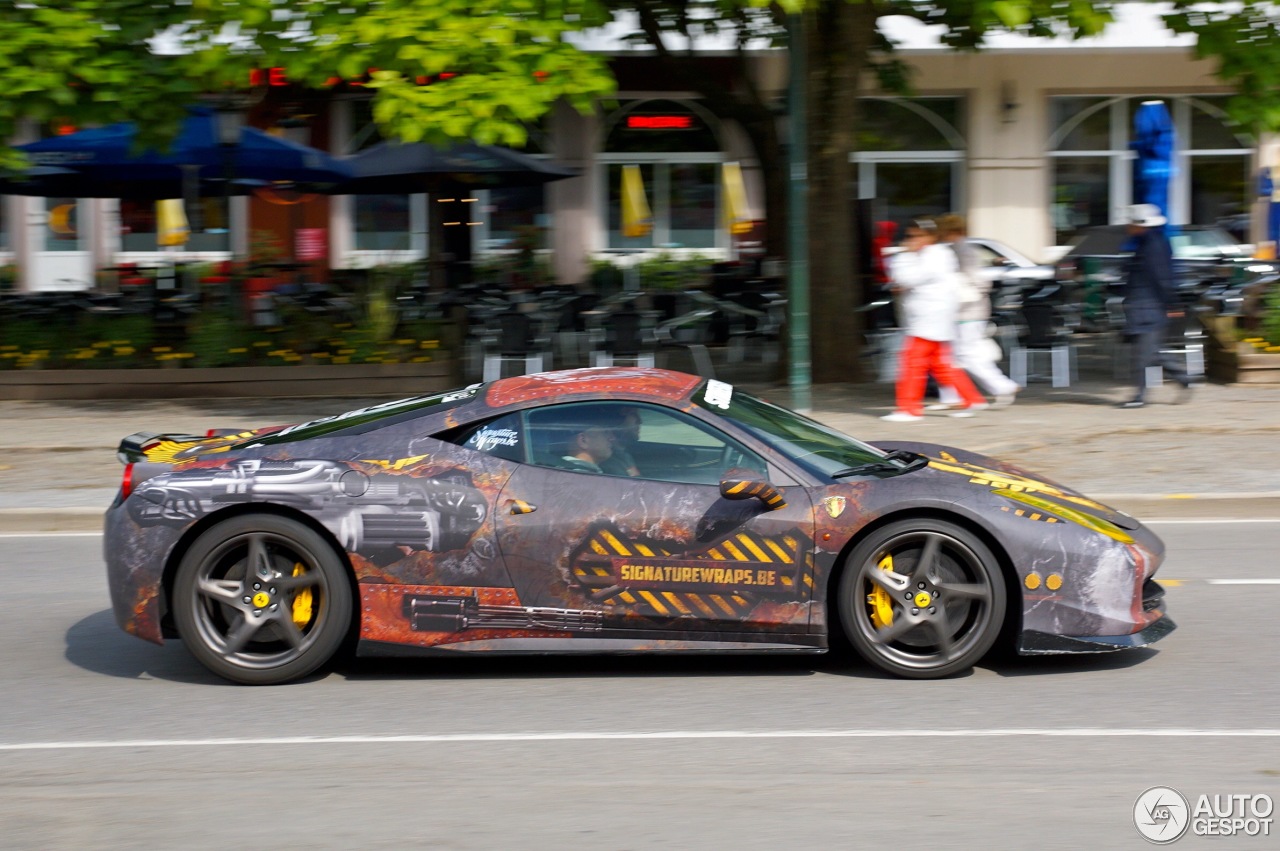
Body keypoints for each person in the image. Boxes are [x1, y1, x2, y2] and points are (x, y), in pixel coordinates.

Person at [881, 218, 988, 422]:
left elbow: (907, 278)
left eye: (916, 236)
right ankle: (971, 398)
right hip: (933, 317)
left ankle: (909, 408)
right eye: (909, 236)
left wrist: (905, 255)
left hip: (928, 317)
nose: (911, 240)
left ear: (930, 236)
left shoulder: (932, 256)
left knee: (912, 363)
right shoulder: (936, 254)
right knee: (941, 364)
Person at [930, 214, 1020, 410]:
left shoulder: (962, 251)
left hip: (967, 312)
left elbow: (977, 282)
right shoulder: (961, 249)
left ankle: (1001, 386)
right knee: (955, 355)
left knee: (963, 355)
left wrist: (959, 294)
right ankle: (954, 395)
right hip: (969, 311)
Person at [1118, 203, 1193, 408]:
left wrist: (1172, 303)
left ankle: (1139, 397)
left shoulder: (1153, 245)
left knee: (1143, 355)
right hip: (1144, 305)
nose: (1127, 226)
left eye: (1130, 222)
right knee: (1152, 352)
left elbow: (1163, 277)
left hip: (1148, 306)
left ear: (1140, 225)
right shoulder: (1146, 242)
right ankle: (1184, 379)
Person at [601, 406, 642, 477]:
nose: (640, 421)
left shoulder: (623, 454)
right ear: (616, 420)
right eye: (633, 414)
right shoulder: (610, 466)